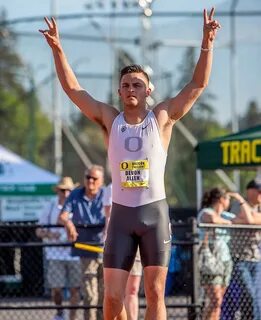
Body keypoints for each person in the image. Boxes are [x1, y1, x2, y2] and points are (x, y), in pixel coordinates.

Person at [40, 8, 221, 319]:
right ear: (119, 91)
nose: (131, 89)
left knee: (154, 294)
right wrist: (58, 50)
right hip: (122, 217)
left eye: (137, 84)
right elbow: (73, 90)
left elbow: (196, 86)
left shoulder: (162, 117)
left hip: (154, 214)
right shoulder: (111, 119)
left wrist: (207, 42)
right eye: (126, 85)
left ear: (148, 90)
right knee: (111, 299)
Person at [58, 165, 105, 320]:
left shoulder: (106, 194)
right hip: (86, 250)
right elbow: (63, 215)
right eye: (88, 177)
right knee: (90, 295)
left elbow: (115, 216)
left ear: (101, 181)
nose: (90, 181)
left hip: (106, 250)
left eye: (94, 178)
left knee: (106, 294)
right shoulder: (76, 194)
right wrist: (69, 225)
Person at [197, 187, 247, 320]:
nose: (229, 202)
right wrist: (231, 223)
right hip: (210, 260)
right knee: (215, 300)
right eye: (229, 199)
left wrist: (240, 200)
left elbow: (247, 220)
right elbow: (212, 219)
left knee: (218, 303)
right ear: (221, 199)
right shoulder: (206, 212)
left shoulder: (225, 215)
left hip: (225, 261)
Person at [36, 176, 81, 320]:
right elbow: (38, 230)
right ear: (58, 191)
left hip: (74, 253)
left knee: (75, 288)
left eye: (68, 190)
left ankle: (73, 317)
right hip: (55, 254)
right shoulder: (50, 206)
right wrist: (50, 234)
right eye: (63, 190)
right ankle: (60, 313)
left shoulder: (77, 205)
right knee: (56, 289)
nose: (66, 193)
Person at [221, 179, 261, 320]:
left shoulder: (258, 208)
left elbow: (250, 220)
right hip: (240, 258)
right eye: (259, 191)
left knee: (256, 297)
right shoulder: (239, 206)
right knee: (248, 294)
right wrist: (241, 202)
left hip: (256, 259)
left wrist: (248, 218)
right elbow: (248, 221)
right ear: (250, 191)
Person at [103, 183, 142, 320]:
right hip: (116, 242)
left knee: (132, 290)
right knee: (114, 294)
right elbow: (109, 214)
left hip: (136, 240)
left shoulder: (141, 183)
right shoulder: (111, 188)